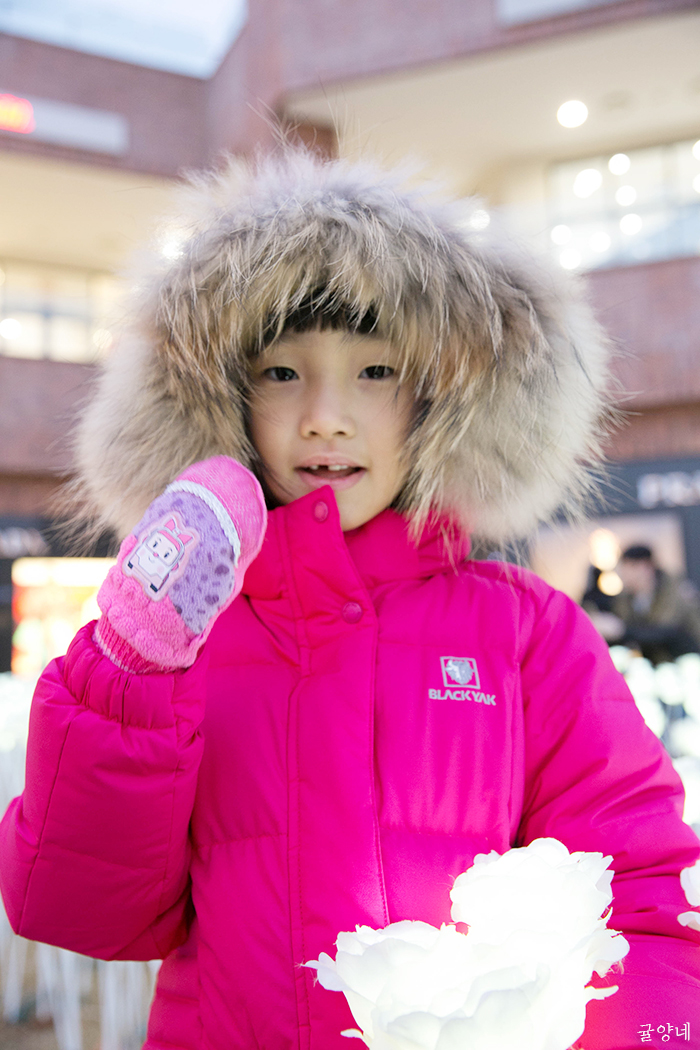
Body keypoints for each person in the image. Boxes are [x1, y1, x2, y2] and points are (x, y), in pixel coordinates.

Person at [0, 151, 698, 1050]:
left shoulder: (526, 632)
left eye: (375, 371)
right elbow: (78, 909)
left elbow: (640, 895)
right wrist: (128, 676)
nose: (325, 416)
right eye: (281, 373)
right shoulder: (184, 644)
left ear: (439, 399)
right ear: (223, 399)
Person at [597, 544, 700, 665]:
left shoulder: (676, 592)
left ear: (646, 567)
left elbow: (668, 631)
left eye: (631, 567)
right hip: (650, 664)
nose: (624, 574)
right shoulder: (624, 599)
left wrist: (623, 630)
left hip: (685, 662)